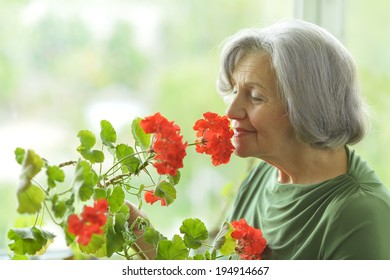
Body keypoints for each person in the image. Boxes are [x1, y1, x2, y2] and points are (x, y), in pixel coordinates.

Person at [219, 19, 390, 259]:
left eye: (256, 96)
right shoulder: (261, 178)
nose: (231, 112)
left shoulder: (360, 215)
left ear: (308, 107)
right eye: (235, 91)